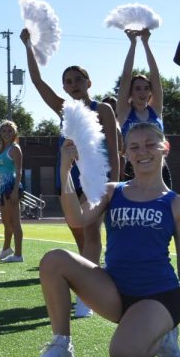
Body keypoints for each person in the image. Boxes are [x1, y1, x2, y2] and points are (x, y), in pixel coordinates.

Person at [30, 123, 180, 357]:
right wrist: (65, 170)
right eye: (134, 147)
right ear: (126, 154)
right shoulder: (112, 192)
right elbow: (77, 219)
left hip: (158, 296)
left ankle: (164, 333)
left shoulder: (174, 203)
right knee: (54, 260)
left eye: (150, 144)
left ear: (165, 148)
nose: (142, 152)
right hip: (113, 292)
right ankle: (61, 347)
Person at [22, 29, 119, 318]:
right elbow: (38, 82)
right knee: (79, 239)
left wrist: (112, 182)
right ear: (64, 88)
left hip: (96, 181)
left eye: (78, 79)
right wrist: (28, 45)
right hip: (69, 182)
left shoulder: (102, 109)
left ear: (89, 82)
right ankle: (91, 285)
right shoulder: (64, 109)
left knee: (92, 236)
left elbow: (114, 150)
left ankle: (86, 301)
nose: (74, 84)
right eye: (68, 81)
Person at [116, 29, 170, 186]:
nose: (143, 92)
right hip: (133, 167)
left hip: (159, 169)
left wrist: (146, 43)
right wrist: (133, 44)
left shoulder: (155, 110)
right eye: (138, 88)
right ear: (130, 92)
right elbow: (126, 76)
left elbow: (155, 76)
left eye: (146, 88)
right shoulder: (125, 112)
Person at [0, 120, 25, 263]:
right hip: (2, 187)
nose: (6, 133)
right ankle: (7, 248)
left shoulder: (15, 148)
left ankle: (18, 254)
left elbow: (19, 171)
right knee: (5, 221)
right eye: (4, 131)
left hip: (12, 186)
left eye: (10, 131)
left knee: (15, 222)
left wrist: (14, 191)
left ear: (15, 133)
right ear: (0, 133)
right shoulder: (0, 149)